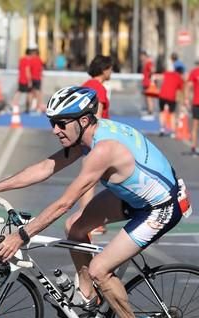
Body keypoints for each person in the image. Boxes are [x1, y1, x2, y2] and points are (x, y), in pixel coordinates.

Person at [0, 86, 190, 318]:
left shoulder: (103, 150)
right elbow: (46, 168)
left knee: (99, 269)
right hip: (134, 198)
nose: (55, 130)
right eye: (52, 124)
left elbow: (64, 203)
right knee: (75, 227)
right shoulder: (88, 136)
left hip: (160, 207)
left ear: (83, 120)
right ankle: (88, 297)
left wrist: (21, 236)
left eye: (61, 123)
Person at [78, 55, 114, 235]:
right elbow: (97, 115)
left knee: (90, 180)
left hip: (85, 136)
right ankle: (91, 221)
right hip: (97, 139)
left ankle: (90, 219)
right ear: (105, 69)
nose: (111, 72)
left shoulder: (85, 84)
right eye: (110, 68)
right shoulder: (98, 88)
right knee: (96, 180)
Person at [157, 60, 184, 137]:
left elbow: (159, 79)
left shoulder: (166, 73)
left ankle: (162, 128)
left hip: (162, 95)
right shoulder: (179, 77)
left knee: (162, 112)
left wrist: (159, 87)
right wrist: (182, 100)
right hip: (171, 97)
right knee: (172, 114)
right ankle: (172, 131)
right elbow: (180, 90)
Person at [140, 50, 155, 119]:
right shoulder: (145, 63)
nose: (141, 58)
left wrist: (150, 78)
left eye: (142, 56)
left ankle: (151, 112)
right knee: (147, 98)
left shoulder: (148, 63)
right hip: (145, 82)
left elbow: (152, 70)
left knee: (149, 98)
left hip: (148, 83)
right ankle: (149, 110)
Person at [29, 48, 45, 113]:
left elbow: (29, 69)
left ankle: (34, 106)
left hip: (34, 78)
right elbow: (42, 68)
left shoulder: (32, 60)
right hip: (38, 78)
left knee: (33, 93)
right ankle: (36, 107)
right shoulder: (40, 60)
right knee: (37, 93)